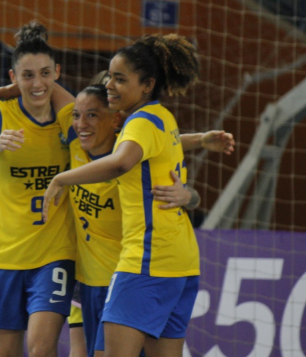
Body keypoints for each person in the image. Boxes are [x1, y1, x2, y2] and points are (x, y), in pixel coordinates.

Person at [42, 34, 204, 357]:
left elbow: (119, 163)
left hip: (146, 261)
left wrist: (61, 179)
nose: (110, 86)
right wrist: (201, 144)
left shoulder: (139, 122)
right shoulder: (164, 118)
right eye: (110, 77)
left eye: (120, 79)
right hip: (182, 263)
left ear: (147, 85)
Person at [0, 20, 76, 357]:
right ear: (13, 77)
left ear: (56, 73)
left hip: (55, 254)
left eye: (45, 73)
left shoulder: (69, 117)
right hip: (3, 256)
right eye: (27, 76)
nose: (37, 83)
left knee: (40, 350)